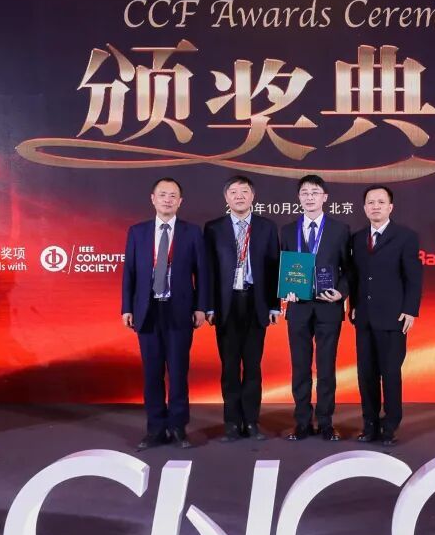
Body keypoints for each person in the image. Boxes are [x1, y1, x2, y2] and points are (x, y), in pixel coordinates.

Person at [121, 178, 209, 450]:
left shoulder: (192, 232)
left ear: (180, 201)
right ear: (153, 198)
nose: (167, 200)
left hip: (179, 310)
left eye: (173, 196)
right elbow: (129, 273)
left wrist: (201, 307)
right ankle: (156, 428)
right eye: (163, 195)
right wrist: (127, 307)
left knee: (179, 372)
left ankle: (178, 427)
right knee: (152, 373)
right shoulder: (138, 232)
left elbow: (202, 273)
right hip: (147, 311)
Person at [204, 175, 281, 441]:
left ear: (253, 196)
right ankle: (231, 423)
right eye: (234, 192)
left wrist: (274, 305)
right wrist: (209, 306)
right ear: (226, 197)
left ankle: (252, 422)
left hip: (255, 303)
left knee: (253, 367)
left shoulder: (266, 227)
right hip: (226, 306)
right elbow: (208, 271)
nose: (239, 196)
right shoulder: (213, 228)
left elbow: (274, 268)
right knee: (229, 367)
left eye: (244, 191)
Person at [348, 185, 423, 446]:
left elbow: (413, 277)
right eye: (370, 202)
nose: (375, 206)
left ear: (390, 207)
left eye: (381, 202)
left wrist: (410, 310)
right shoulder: (357, 238)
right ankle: (369, 424)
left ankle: (390, 425)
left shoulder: (405, 237)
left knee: (390, 373)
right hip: (364, 318)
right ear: (364, 208)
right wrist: (353, 305)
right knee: (366, 374)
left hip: (393, 318)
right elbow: (355, 276)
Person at [279, 175, 351, 441]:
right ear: (299, 198)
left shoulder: (340, 229)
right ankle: (302, 422)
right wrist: (285, 290)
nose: (310, 197)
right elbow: (282, 267)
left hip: (328, 307)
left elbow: (349, 269)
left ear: (325, 197)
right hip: (298, 308)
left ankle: (326, 422)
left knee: (326, 367)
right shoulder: (288, 230)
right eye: (305, 193)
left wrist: (341, 292)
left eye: (315, 192)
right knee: (300, 367)